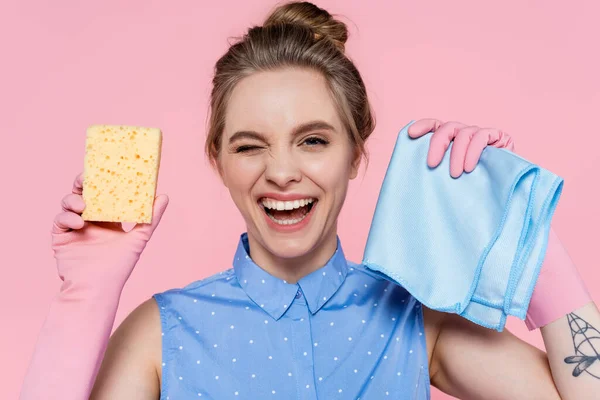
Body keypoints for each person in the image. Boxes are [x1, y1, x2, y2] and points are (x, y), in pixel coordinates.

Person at [21, 2, 598, 399]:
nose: (281, 172)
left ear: (355, 154)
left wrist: (525, 232)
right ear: (218, 161)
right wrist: (83, 299)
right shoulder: (160, 333)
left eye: (313, 141)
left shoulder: (416, 321)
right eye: (250, 146)